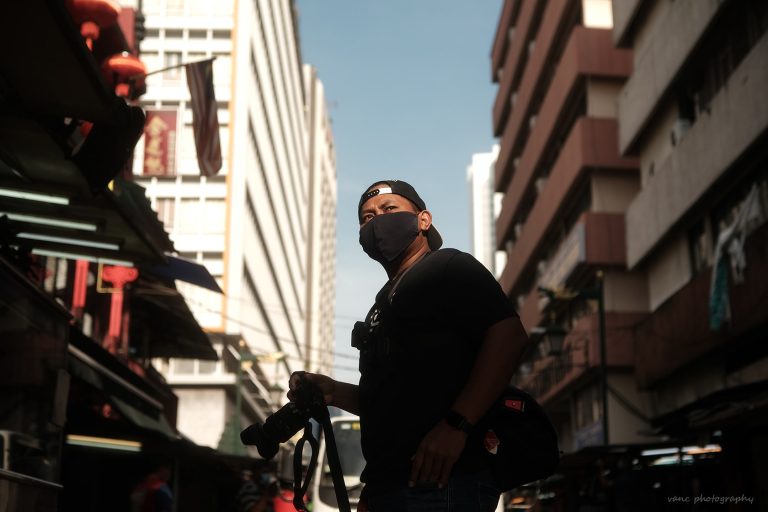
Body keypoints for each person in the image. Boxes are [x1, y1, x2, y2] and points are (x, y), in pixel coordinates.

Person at [288, 180, 529, 511]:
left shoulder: (449, 266)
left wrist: (456, 426)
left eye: (389, 210)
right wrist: (332, 391)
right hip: (389, 487)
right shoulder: (381, 302)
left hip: (443, 482)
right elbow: (391, 400)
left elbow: (509, 337)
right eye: (367, 217)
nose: (377, 221)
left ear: (423, 220)